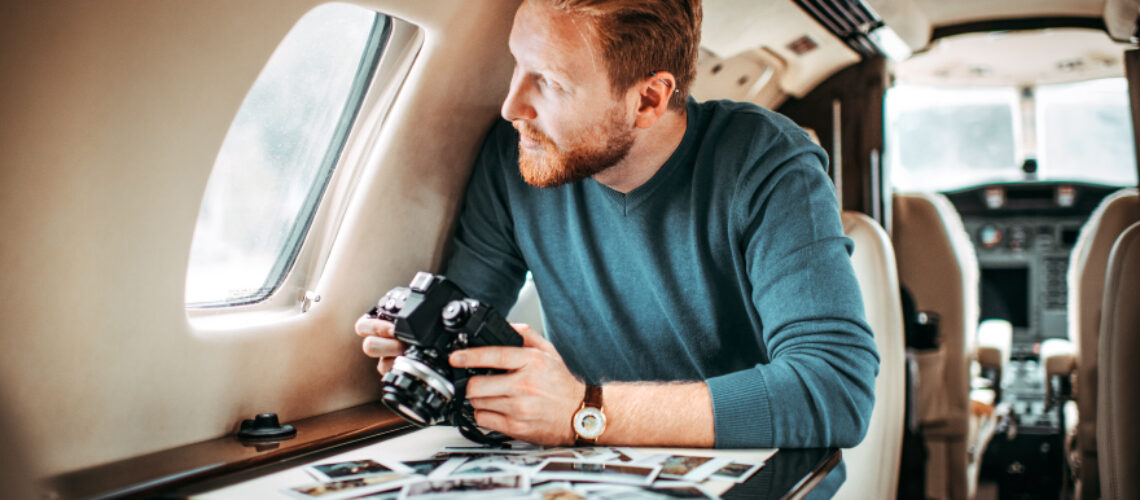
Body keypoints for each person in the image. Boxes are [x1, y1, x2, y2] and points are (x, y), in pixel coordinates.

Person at [357, 0, 877, 455]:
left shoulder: (765, 161)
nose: (512, 107)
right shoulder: (516, 155)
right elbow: (465, 315)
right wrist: (423, 346)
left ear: (649, 99)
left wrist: (584, 411)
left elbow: (834, 388)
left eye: (551, 83)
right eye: (517, 65)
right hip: (590, 471)